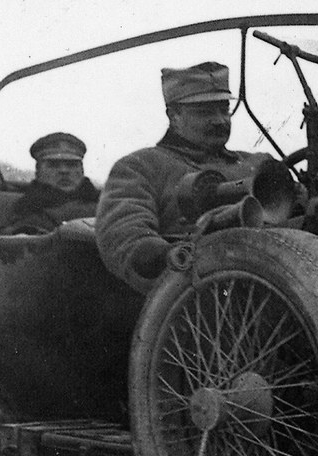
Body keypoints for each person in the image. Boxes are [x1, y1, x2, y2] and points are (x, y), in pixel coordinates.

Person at [95, 61, 276, 291]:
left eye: (224, 109)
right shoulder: (140, 166)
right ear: (174, 116)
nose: (220, 120)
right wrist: (166, 255)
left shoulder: (258, 163)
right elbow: (124, 234)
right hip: (198, 302)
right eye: (205, 112)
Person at [0, 132, 100, 234]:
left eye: (71, 165)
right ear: (38, 171)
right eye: (53, 165)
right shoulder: (24, 209)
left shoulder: (103, 204)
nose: (64, 171)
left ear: (81, 170)